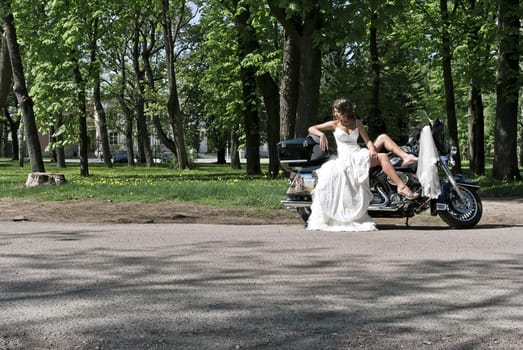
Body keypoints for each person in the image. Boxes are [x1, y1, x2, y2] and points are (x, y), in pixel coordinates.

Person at [306, 98, 418, 232]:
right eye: (335, 111)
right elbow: (311, 128)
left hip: (358, 153)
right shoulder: (334, 124)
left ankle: (406, 157)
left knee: (383, 137)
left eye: (338, 112)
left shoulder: (357, 123)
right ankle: (401, 186)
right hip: (347, 158)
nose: (335, 114)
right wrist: (321, 134)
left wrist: (371, 149)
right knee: (383, 157)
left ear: (345, 112)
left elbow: (368, 140)